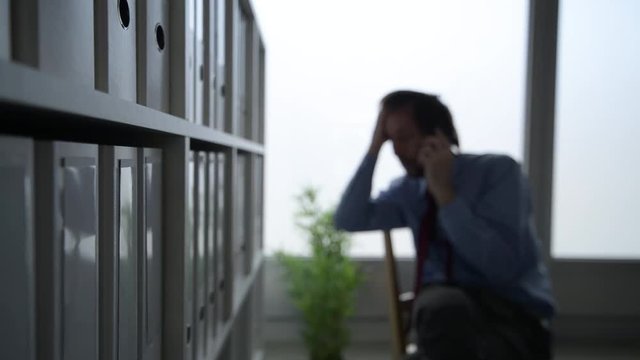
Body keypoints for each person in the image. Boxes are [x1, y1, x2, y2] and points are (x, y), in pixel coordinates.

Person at [334, 90, 555, 360]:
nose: (397, 151)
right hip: (444, 321)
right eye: (390, 140)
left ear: (437, 136)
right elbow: (348, 219)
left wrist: (445, 195)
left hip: (509, 317)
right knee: (443, 306)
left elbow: (502, 269)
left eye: (403, 138)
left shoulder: (499, 173)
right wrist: (373, 150)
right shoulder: (409, 191)